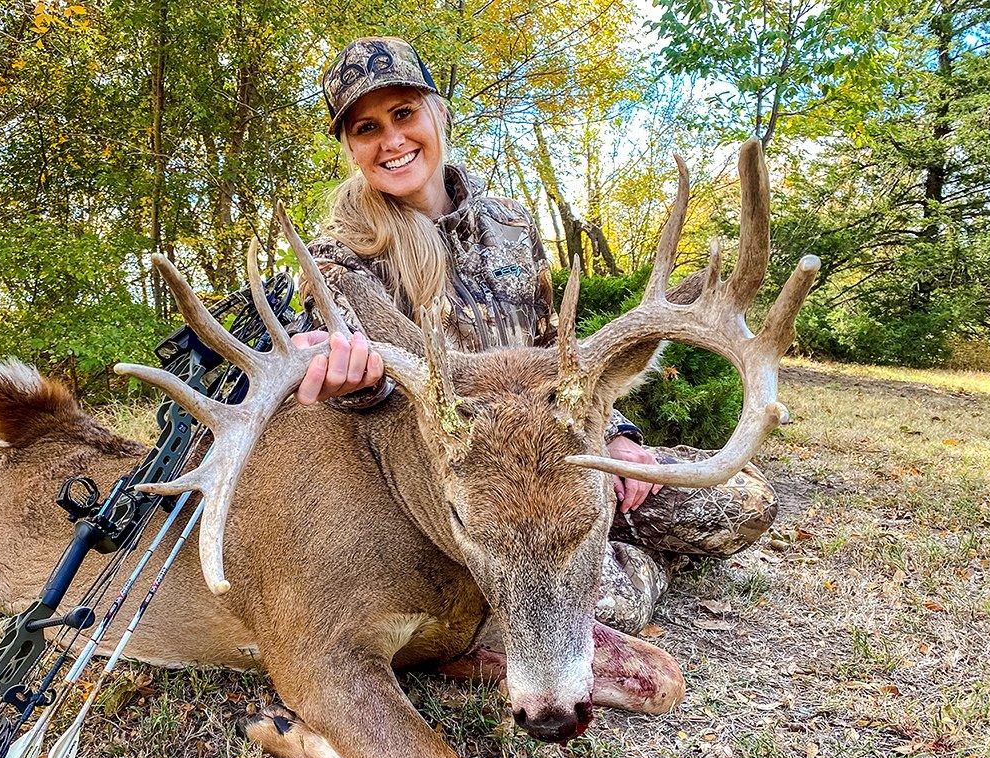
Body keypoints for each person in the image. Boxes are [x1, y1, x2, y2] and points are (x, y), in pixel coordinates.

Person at [291, 36, 776, 633]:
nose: (392, 140)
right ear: (350, 147)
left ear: (438, 112)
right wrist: (353, 379)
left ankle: (605, 549)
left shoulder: (511, 224)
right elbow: (364, 401)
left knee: (742, 501)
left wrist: (614, 438)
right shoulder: (337, 259)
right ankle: (580, 580)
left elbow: (557, 356)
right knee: (593, 604)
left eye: (403, 113)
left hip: (562, 462)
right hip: (461, 493)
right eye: (366, 128)